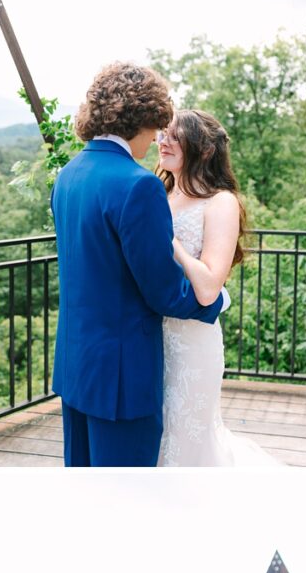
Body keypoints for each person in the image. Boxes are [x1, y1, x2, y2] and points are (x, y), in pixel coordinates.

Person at [51, 63, 227, 467]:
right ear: (143, 116)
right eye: (157, 127)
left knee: (84, 491)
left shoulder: (69, 175)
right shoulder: (138, 184)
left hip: (76, 368)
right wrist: (215, 304)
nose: (156, 138)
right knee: (129, 501)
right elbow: (164, 291)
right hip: (121, 381)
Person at [155, 109, 279, 466]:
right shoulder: (157, 191)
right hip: (150, 337)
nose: (164, 142)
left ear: (204, 149)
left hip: (192, 343)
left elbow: (209, 287)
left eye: (175, 136)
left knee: (188, 438)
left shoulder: (220, 202)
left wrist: (171, 241)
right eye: (164, 134)